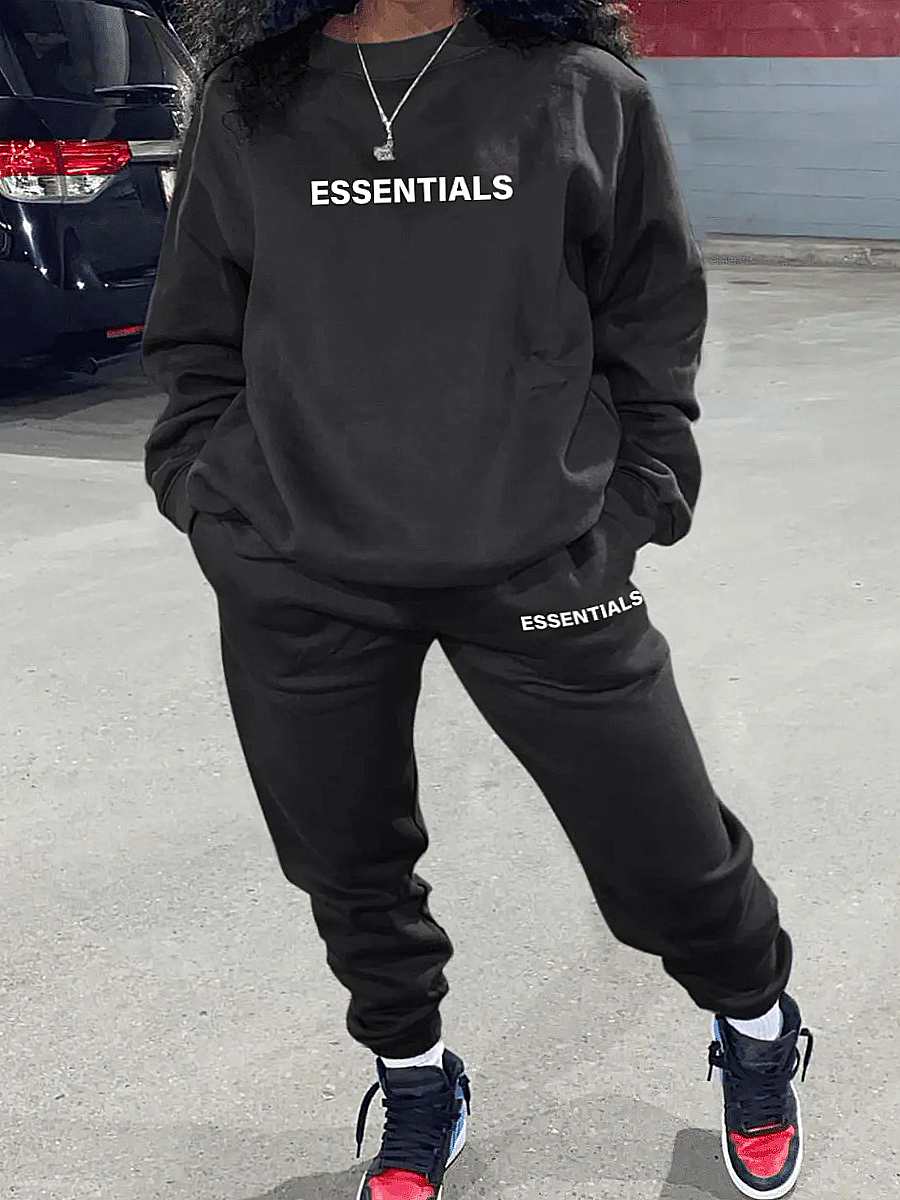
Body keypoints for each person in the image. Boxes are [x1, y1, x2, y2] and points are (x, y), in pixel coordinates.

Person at [141, 2, 814, 1197]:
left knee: (666, 847)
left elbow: (651, 307)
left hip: (539, 555)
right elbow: (201, 322)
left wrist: (637, 499)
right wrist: (207, 495)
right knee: (345, 860)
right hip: (302, 563)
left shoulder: (578, 86)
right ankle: (416, 1078)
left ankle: (758, 1025)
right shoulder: (252, 98)